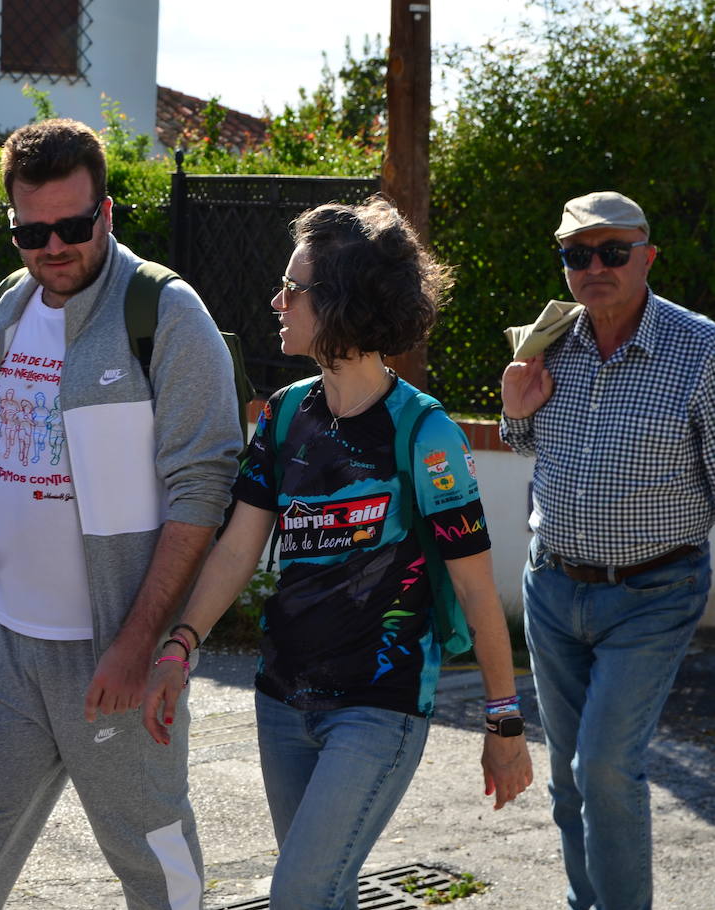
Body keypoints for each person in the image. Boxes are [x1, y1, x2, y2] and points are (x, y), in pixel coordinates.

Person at [144, 198, 533, 910]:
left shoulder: (425, 434)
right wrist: (180, 643)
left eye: (293, 288)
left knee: (299, 892)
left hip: (377, 708)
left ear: (342, 302)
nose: (276, 300)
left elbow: (479, 594)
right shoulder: (287, 415)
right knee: (325, 895)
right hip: (283, 699)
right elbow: (237, 548)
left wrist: (504, 724)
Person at [0, 118, 242, 909]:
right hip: (7, 647)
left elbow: (202, 492)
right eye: (31, 230)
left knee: (157, 864)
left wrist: (136, 645)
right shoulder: (7, 306)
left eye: (72, 225)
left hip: (110, 654)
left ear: (109, 212)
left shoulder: (166, 314)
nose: (52, 246)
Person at [500, 191, 714, 910]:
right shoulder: (549, 337)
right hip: (552, 588)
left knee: (605, 768)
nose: (595, 267)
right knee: (566, 772)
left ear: (647, 256)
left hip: (654, 592)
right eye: (577, 254)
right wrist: (513, 410)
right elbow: (528, 445)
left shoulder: (702, 349)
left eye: (612, 251)